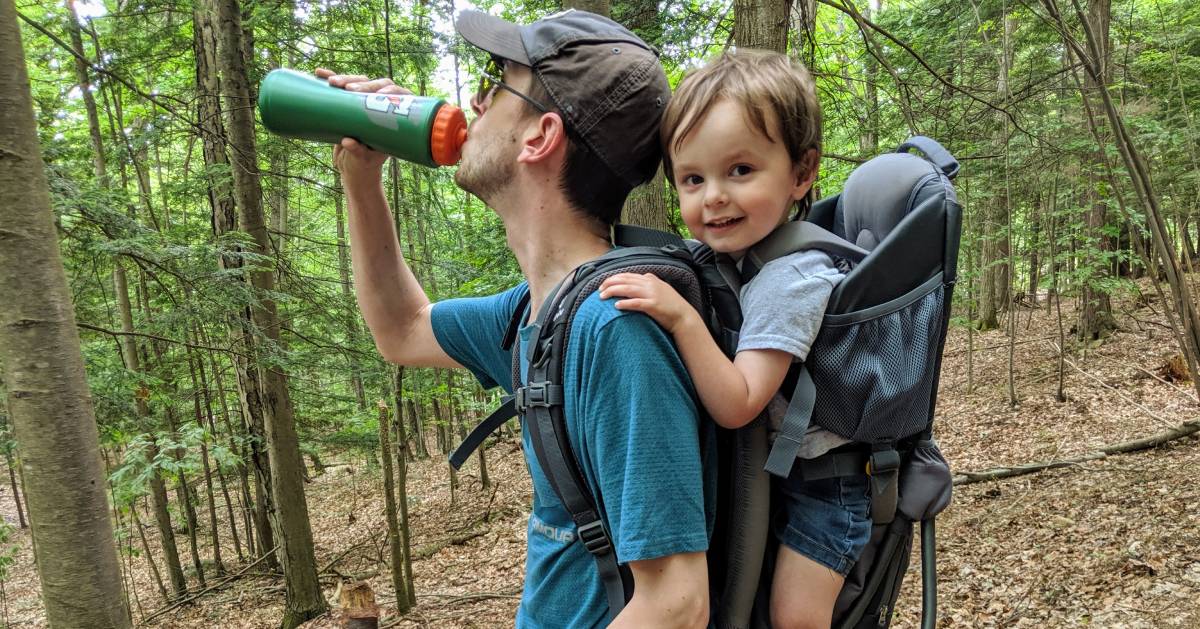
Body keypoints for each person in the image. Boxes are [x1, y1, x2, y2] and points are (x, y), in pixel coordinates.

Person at [321, 9, 710, 629]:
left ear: (541, 135)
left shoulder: (616, 329)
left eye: (497, 80)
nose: (475, 99)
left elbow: (677, 603)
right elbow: (402, 330)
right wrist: (362, 180)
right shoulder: (534, 313)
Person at [598, 50, 871, 629]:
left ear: (801, 173)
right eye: (693, 179)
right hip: (785, 472)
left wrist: (682, 319)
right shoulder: (744, 262)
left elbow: (739, 401)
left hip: (830, 487)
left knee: (796, 618)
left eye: (740, 171)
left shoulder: (789, 279)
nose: (714, 196)